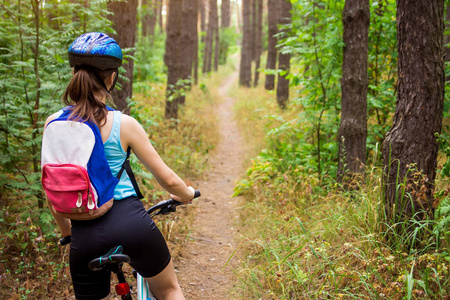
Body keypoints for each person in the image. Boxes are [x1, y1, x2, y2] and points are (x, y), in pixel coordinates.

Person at [43, 32, 194, 300]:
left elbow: (51, 189)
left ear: (75, 72)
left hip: (83, 235)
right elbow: (168, 180)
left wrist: (68, 234)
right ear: (111, 77)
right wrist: (186, 195)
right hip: (130, 223)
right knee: (170, 290)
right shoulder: (125, 124)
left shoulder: (53, 123)